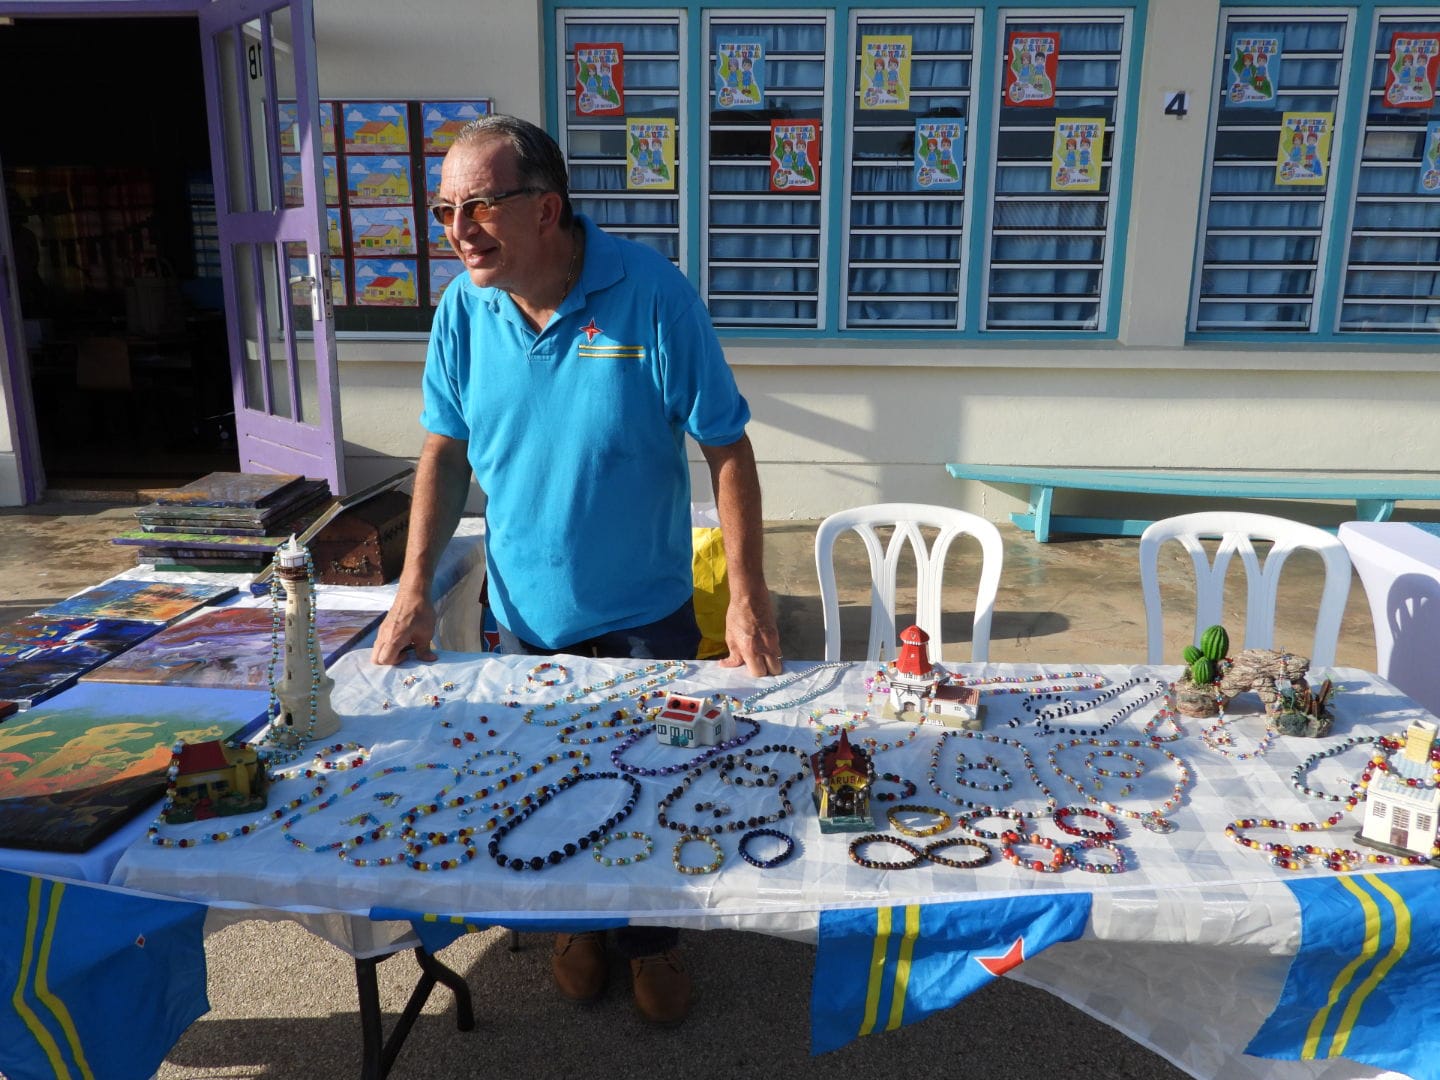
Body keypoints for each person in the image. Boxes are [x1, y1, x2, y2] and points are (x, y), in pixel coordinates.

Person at [371, 114, 782, 1025]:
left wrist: (748, 596)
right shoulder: (462, 311)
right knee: (547, 784)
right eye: (445, 211)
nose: (458, 230)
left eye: (479, 206)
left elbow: (727, 446)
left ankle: (652, 939)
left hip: (644, 618)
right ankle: (575, 925)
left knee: (653, 786)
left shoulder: (652, 293)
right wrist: (412, 591)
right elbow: (445, 452)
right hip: (525, 619)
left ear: (547, 207)